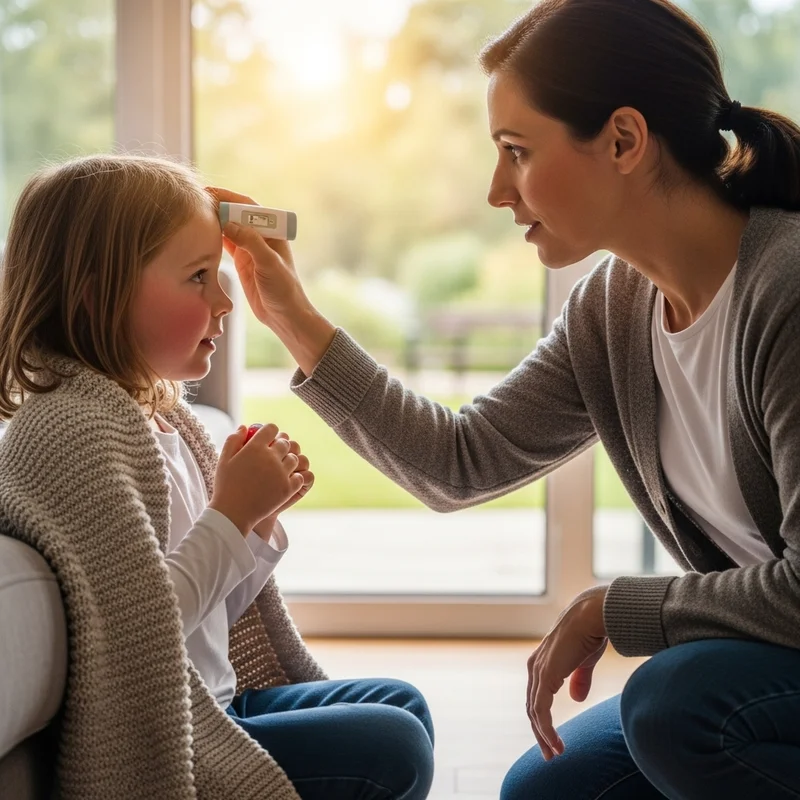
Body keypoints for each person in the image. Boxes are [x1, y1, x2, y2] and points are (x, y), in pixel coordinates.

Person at [212, 0, 800, 797]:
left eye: (517, 152)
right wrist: (293, 317)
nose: (498, 190)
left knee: (675, 705)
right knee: (544, 790)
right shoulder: (613, 308)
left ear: (624, 140)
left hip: (758, 667)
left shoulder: (785, 290)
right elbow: (461, 461)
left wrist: (609, 609)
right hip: (769, 666)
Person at [0, 154, 434, 800]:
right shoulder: (71, 431)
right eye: (199, 277)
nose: (227, 302)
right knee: (392, 745)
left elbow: (216, 614)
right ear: (96, 293)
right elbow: (138, 631)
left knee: (403, 704)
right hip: (176, 733)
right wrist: (229, 516)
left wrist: (255, 526)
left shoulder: (165, 421)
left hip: (215, 700)